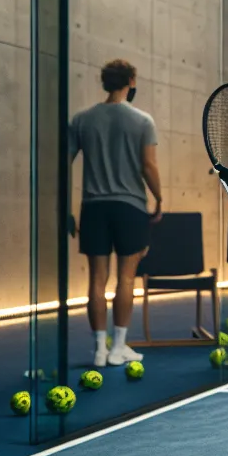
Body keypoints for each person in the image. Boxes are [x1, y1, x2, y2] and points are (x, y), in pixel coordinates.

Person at [70, 59, 162, 368]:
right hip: (130, 207)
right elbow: (148, 166)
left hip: (94, 207)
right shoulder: (142, 120)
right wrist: (160, 198)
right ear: (131, 81)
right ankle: (118, 348)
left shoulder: (81, 120)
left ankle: (99, 350)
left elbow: (61, 164)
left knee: (97, 279)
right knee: (126, 278)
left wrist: (63, 209)